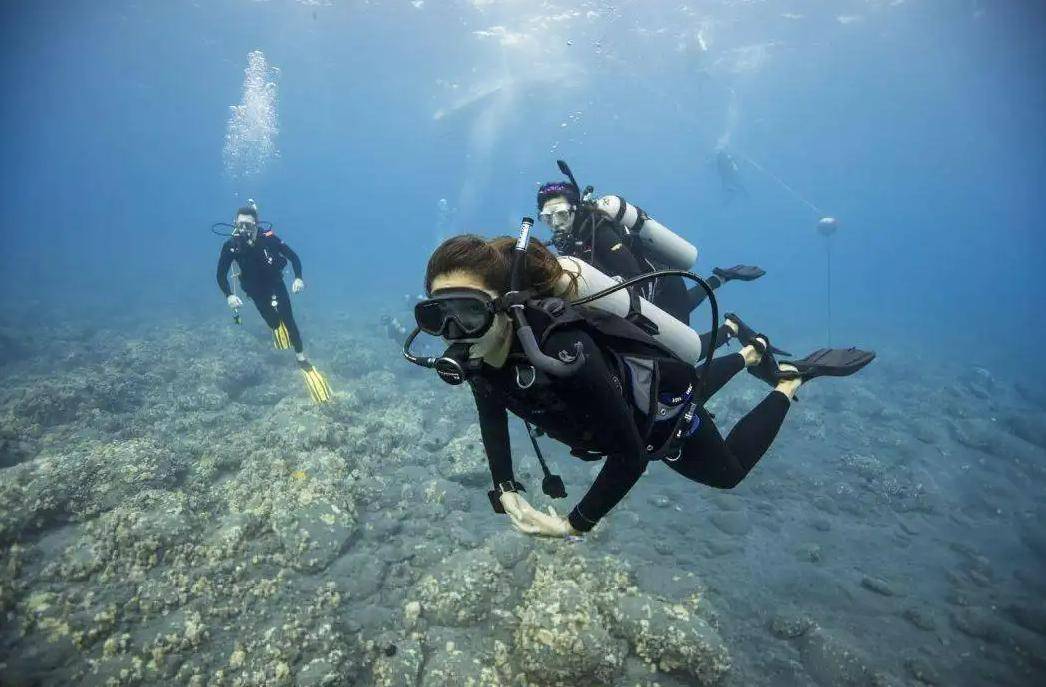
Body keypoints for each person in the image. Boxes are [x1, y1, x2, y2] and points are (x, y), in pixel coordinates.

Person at [406, 233, 873, 537]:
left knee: (726, 472)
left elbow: (629, 455)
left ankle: (790, 381)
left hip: (657, 423)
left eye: (467, 312)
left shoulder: (564, 351)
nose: (453, 334)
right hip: (642, 392)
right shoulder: (484, 356)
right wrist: (503, 485)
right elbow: (491, 407)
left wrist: (574, 524)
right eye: (436, 317)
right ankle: (750, 351)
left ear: (506, 306)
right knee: (684, 384)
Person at [536, 172, 765, 326]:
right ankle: (721, 277)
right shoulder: (572, 242)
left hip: (663, 284)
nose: (555, 223)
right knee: (683, 306)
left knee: (680, 352)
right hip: (650, 289)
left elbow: (633, 276)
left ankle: (733, 330)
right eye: (547, 218)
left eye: (562, 213)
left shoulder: (600, 232)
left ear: (576, 210)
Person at [215, 204, 332, 403]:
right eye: (239, 224)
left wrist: (298, 278)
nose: (243, 229)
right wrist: (229, 296)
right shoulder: (231, 246)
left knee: (289, 319)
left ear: (256, 224)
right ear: (235, 224)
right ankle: (277, 327)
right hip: (254, 291)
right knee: (274, 322)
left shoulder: (269, 239)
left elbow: (293, 257)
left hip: (276, 284)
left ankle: (301, 357)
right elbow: (220, 275)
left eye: (248, 224)